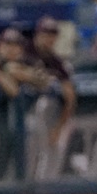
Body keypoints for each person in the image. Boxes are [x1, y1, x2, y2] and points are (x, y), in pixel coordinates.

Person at [26, 16, 78, 180]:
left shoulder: (57, 63)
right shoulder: (25, 52)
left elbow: (70, 97)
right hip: (21, 112)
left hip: (43, 118)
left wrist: (59, 128)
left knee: (53, 148)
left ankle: (45, 193)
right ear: (37, 35)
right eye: (45, 34)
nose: (49, 38)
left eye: (53, 34)